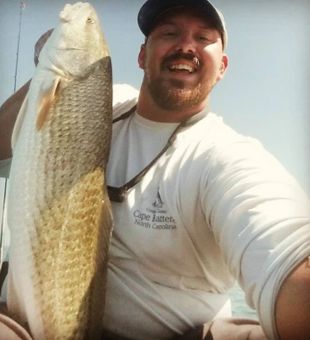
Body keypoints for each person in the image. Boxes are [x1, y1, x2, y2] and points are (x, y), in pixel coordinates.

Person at [0, 0, 309, 339]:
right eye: (169, 33)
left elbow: (284, 251)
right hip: (28, 317)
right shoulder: (103, 100)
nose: (186, 46)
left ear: (222, 67)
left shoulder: (227, 156)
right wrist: (49, 72)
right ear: (141, 56)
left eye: (203, 37)